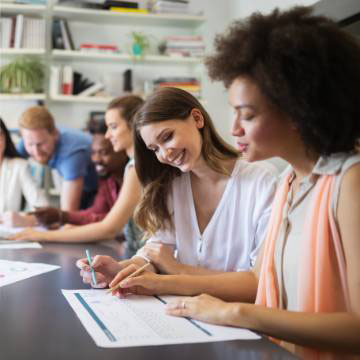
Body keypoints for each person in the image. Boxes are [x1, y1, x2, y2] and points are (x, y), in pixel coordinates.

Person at [160, 6, 360, 358]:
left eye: (248, 115)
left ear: (300, 111)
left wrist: (237, 313)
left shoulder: (350, 183)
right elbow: (258, 280)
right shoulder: (288, 183)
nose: (234, 128)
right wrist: (158, 283)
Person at [77, 87, 277, 299]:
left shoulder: (262, 181)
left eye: (167, 137)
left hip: (237, 321)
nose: (165, 154)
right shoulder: (171, 184)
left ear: (197, 118)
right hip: (182, 314)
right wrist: (121, 270)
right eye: (154, 149)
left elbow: (256, 283)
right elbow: (155, 255)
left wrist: (172, 273)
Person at [11, 95, 144, 258]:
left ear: (135, 126)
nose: (108, 135)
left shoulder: (136, 167)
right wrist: (64, 219)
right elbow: (102, 215)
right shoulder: (123, 169)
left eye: (114, 127)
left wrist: (41, 235)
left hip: (140, 255)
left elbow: (110, 228)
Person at [32, 119, 128, 228]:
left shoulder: (135, 178)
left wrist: (62, 217)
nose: (96, 159)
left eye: (103, 152)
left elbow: (113, 222)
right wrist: (60, 216)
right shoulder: (107, 179)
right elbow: (96, 212)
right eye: (93, 152)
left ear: (123, 150)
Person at [17, 106, 97, 211]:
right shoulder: (31, 138)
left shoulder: (71, 156)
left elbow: (68, 213)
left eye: (41, 144)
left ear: (55, 134)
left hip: (99, 189)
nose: (36, 151)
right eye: (30, 144)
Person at [0, 118, 48, 227]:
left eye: (0, 135)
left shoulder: (19, 166)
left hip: (7, 236)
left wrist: (24, 220)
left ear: (5, 138)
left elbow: (43, 208)